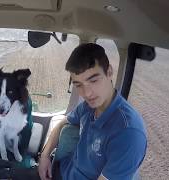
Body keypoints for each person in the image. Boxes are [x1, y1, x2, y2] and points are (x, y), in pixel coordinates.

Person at [38, 43, 147, 180]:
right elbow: (61, 124)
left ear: (109, 72)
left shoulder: (128, 131)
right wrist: (44, 156)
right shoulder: (88, 107)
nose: (87, 93)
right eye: (79, 85)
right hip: (62, 171)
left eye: (93, 80)